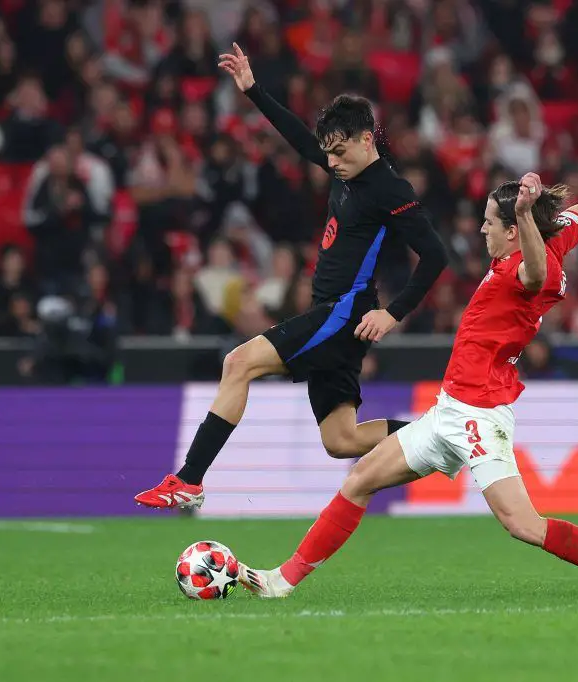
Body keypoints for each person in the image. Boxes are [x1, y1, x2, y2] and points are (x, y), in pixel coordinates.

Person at [236, 90, 578, 598]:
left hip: (479, 415)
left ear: (514, 231)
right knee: (358, 480)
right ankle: (281, 581)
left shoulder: (533, 269)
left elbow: (535, 274)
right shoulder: (553, 237)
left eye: (490, 222)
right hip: (448, 409)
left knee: (524, 525)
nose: (482, 228)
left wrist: (524, 214)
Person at [135, 44, 448, 510]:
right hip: (333, 315)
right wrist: (253, 90)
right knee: (341, 440)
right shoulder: (347, 168)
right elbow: (301, 139)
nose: (331, 162)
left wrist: (392, 313)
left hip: (343, 314)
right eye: (329, 153)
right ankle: (445, 437)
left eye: (339, 152)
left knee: (238, 363)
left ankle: (189, 480)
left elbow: (437, 255)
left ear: (367, 139)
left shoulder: (389, 189)